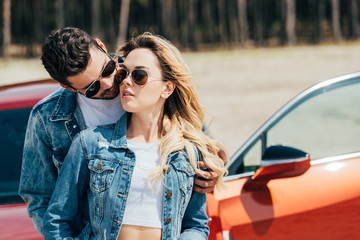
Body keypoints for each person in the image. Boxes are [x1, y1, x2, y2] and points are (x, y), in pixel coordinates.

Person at [18, 27, 224, 236]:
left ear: (101, 46)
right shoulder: (48, 119)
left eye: (108, 69)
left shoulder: (141, 70)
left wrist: (210, 173)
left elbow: (201, 152)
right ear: (69, 87)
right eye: (92, 88)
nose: (110, 84)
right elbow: (41, 200)